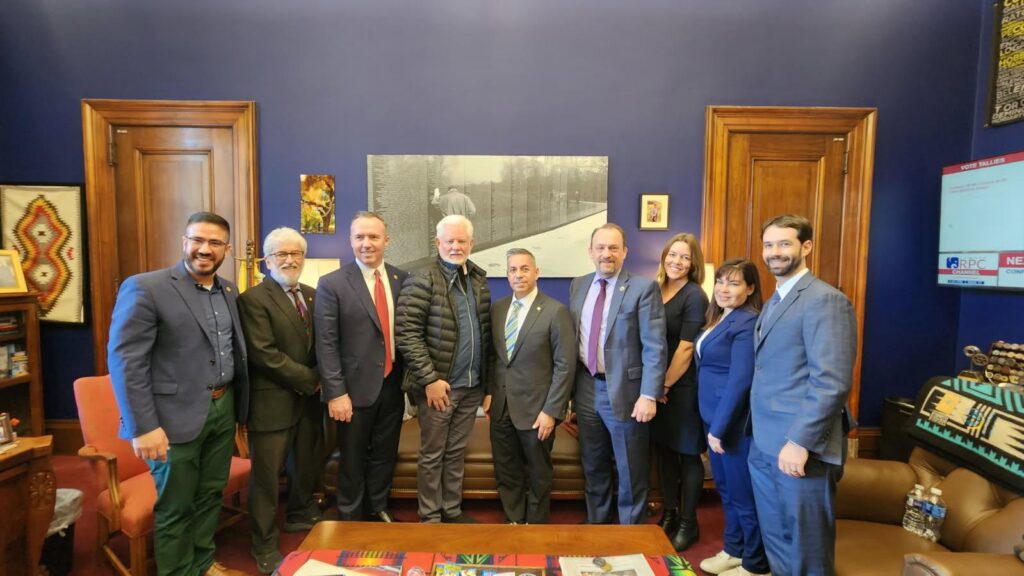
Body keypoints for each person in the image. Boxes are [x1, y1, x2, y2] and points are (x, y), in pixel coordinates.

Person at [107, 212, 249, 576]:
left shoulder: (228, 291)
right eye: (197, 240)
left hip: (222, 408)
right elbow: (126, 361)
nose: (205, 249)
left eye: (215, 243)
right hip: (170, 419)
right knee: (176, 505)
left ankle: (202, 563)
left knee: (210, 494)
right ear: (184, 242)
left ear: (227, 249)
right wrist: (143, 427)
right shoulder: (147, 287)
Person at [749, 214, 857, 576]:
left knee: (806, 544)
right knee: (777, 537)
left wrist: (800, 441)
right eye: (768, 245)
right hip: (764, 440)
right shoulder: (776, 299)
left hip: (800, 446)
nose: (774, 252)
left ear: (806, 246)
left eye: (784, 243)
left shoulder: (825, 300)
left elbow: (831, 381)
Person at [569, 223, 667, 525]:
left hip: (626, 393)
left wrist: (649, 394)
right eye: (600, 248)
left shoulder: (643, 288)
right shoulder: (578, 285)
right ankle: (597, 524)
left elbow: (655, 346)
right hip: (586, 388)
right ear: (590, 252)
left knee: (630, 467)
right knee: (593, 463)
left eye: (613, 248)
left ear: (625, 252)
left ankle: (630, 531)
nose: (606, 254)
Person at [238, 227, 323, 574]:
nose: (289, 260)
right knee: (266, 479)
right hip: (271, 403)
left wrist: (321, 377)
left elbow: (321, 344)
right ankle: (264, 543)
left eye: (296, 254)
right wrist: (312, 379)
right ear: (267, 260)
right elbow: (264, 354)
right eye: (281, 254)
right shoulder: (253, 299)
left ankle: (299, 513)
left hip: (308, 403)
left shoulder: (312, 295)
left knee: (304, 463)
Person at [396, 214, 491, 523]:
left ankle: (451, 511)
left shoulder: (478, 280)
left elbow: (485, 333)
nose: (455, 246)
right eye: (449, 241)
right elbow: (407, 333)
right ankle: (430, 517)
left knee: (455, 453)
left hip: (471, 387)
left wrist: (486, 385)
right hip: (438, 389)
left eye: (462, 241)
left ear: (471, 243)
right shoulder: (422, 279)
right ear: (438, 243)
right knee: (433, 454)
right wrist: (430, 380)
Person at [315, 212, 409, 522]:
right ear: (351, 241)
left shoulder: (402, 279)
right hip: (352, 391)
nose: (366, 243)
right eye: (359, 237)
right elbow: (326, 343)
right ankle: (350, 515)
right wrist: (336, 393)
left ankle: (377, 507)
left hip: (393, 384)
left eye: (373, 237)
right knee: (352, 458)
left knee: (385, 453)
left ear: (386, 240)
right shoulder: (332, 284)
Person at [484, 248, 575, 524]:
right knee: (506, 470)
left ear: (537, 273)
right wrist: (489, 393)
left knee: (538, 473)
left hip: (537, 411)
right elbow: (493, 357)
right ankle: (514, 520)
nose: (519, 275)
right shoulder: (498, 309)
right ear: (507, 275)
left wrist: (552, 411)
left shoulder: (555, 311)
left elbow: (565, 366)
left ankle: (535, 526)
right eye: (513, 269)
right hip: (501, 407)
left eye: (525, 269)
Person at [695, 259, 769, 576]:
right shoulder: (720, 317)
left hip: (731, 425)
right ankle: (734, 549)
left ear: (750, 288)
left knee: (742, 494)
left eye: (734, 283)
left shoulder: (747, 322)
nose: (724, 289)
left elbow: (740, 380)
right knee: (726, 490)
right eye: (721, 281)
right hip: (712, 418)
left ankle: (756, 564)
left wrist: (719, 428)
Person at [650, 232, 709, 551]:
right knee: (664, 451)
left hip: (682, 386)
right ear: (664, 257)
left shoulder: (695, 296)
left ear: (693, 263)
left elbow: (686, 348)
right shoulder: (655, 288)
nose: (677, 261)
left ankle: (689, 522)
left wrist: (664, 385)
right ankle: (670, 513)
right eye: (673, 255)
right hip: (657, 385)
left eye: (685, 257)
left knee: (687, 453)